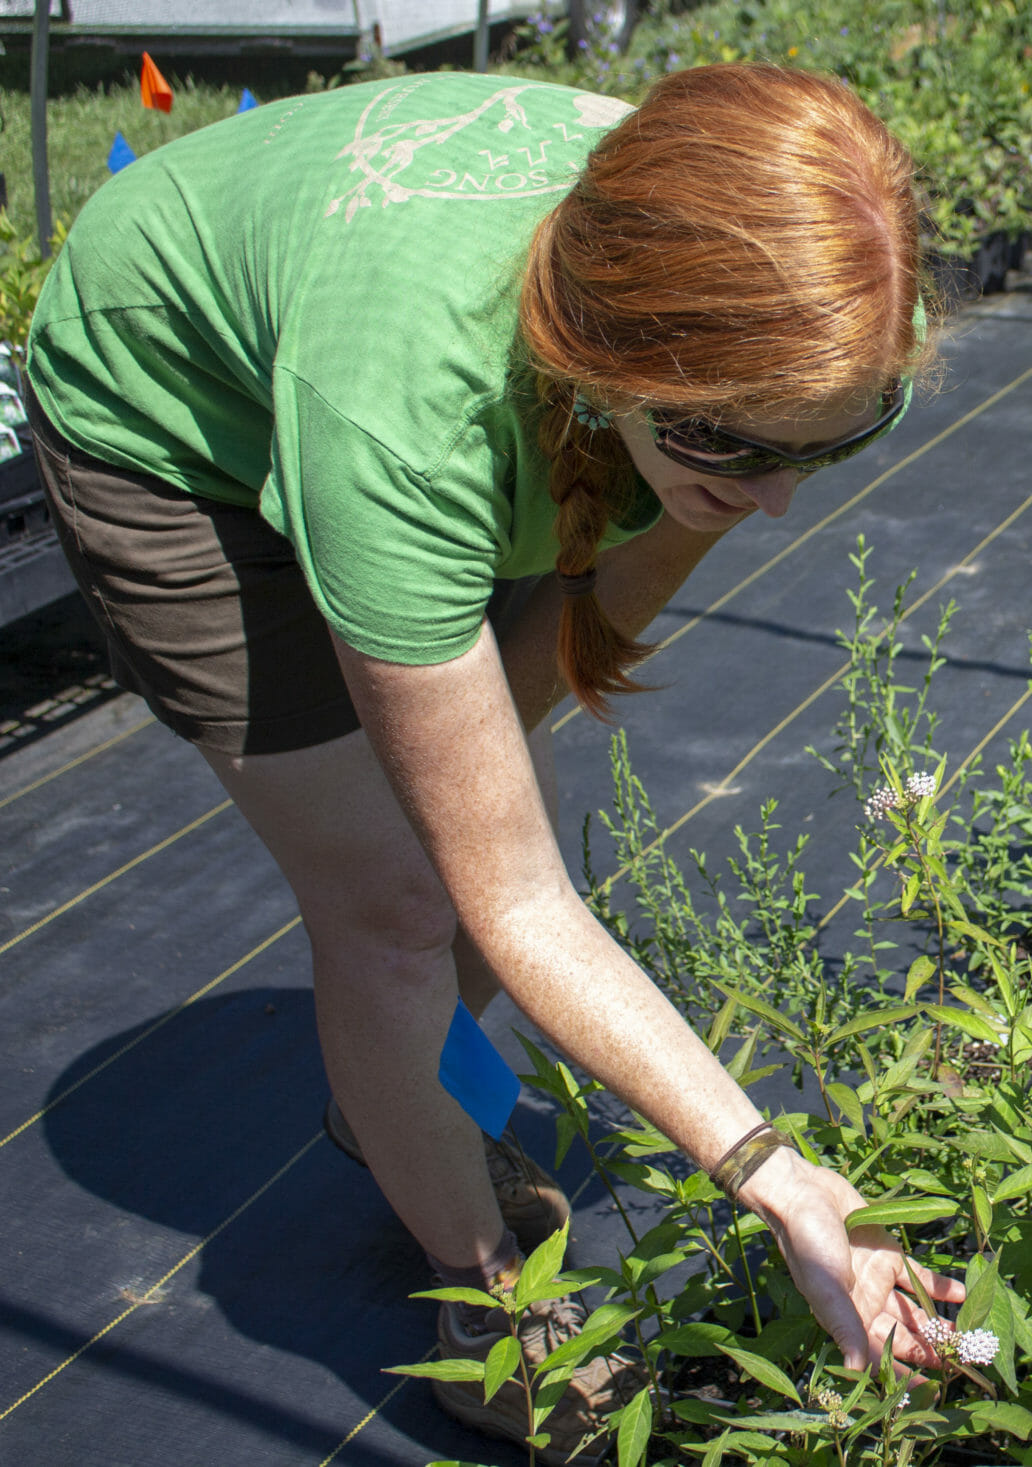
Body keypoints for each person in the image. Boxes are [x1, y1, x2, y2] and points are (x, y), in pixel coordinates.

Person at [25, 62, 961, 1462]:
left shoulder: (829, 314)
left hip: (394, 363)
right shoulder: (403, 422)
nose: (774, 496)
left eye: (823, 449)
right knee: (398, 907)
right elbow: (513, 898)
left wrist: (488, 773)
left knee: (464, 828)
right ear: (609, 359)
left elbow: (643, 559)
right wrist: (774, 1176)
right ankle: (486, 1312)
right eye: (731, 445)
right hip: (173, 438)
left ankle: (387, 1095)